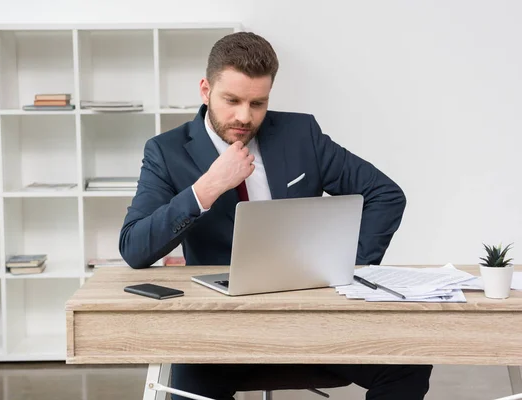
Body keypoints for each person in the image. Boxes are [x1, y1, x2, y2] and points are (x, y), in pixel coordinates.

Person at [119, 32, 432, 400]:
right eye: (231, 100)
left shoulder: (301, 134)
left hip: (309, 319)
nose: (244, 116)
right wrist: (208, 187)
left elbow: (385, 194)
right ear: (205, 90)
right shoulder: (167, 152)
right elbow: (135, 247)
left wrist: (347, 269)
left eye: (258, 103)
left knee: (411, 362)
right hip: (220, 329)